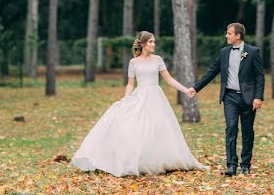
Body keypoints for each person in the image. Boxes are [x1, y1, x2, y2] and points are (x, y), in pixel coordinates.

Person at [72, 30, 206, 177]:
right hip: (140, 96)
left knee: (158, 128)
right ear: (142, 44)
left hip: (156, 97)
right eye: (150, 42)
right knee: (137, 128)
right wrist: (126, 99)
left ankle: (159, 160)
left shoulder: (158, 59)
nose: (153, 44)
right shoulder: (133, 62)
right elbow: (130, 84)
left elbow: (169, 79)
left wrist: (186, 90)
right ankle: (137, 162)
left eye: (154, 41)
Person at [189, 22, 264, 176]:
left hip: (248, 98)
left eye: (229, 33)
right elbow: (212, 71)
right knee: (231, 128)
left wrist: (258, 97)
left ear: (238, 35)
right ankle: (231, 165)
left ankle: (245, 165)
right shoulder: (224, 52)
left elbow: (259, 76)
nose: (226, 36)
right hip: (229, 97)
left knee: (247, 131)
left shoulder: (253, 52)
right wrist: (195, 88)